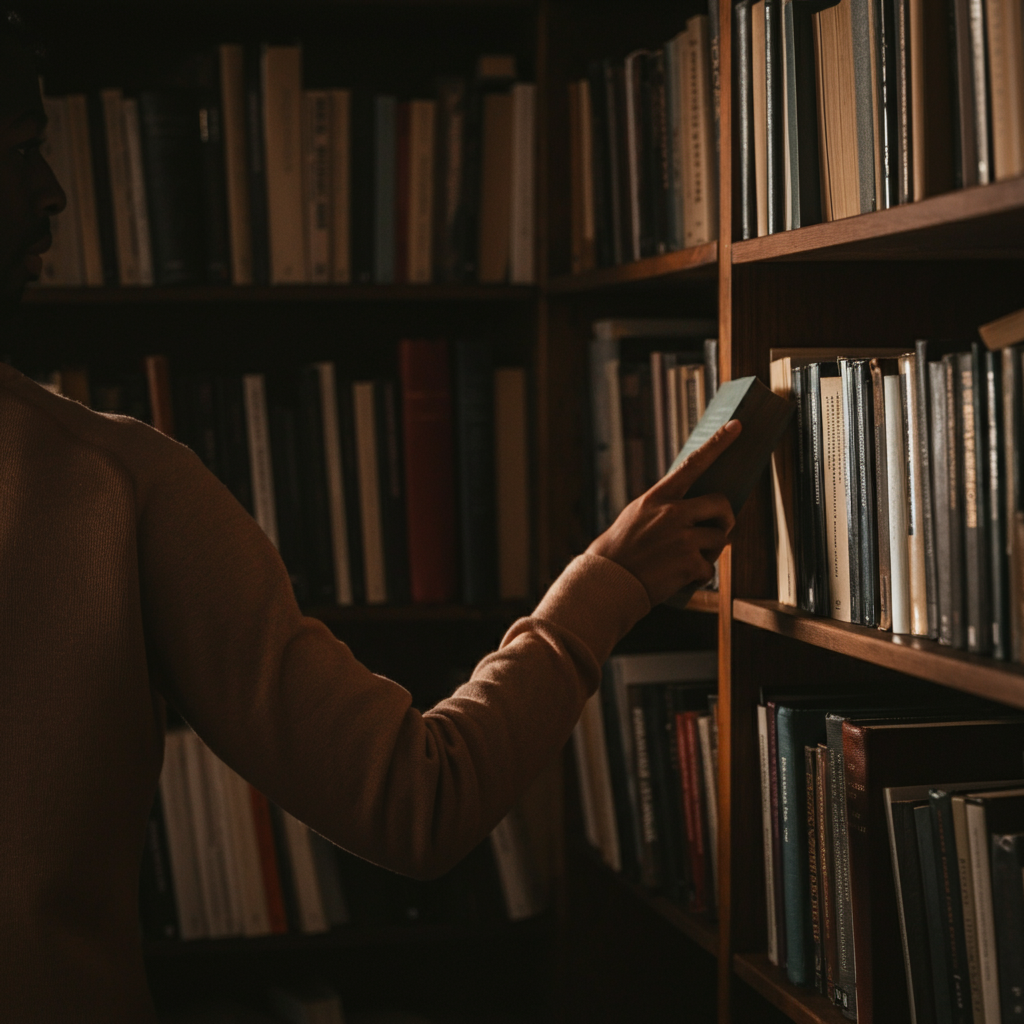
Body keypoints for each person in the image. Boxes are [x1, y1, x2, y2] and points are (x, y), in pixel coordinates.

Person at [0, 13, 738, 1022]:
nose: (53, 195)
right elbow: (414, 802)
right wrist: (605, 582)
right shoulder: (111, 486)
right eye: (21, 151)